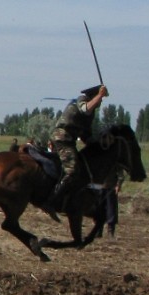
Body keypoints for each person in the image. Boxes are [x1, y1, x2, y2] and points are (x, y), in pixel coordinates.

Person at [43, 84, 108, 212]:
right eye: (100, 99)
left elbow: (86, 135)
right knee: (72, 169)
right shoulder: (81, 100)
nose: (100, 102)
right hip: (62, 138)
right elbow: (85, 109)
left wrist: (101, 145)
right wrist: (100, 95)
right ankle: (52, 200)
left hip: (70, 141)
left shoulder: (90, 114)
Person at [98, 169, 125, 238]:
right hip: (98, 186)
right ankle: (98, 231)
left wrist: (118, 184)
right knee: (98, 209)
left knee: (111, 209)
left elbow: (120, 172)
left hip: (111, 187)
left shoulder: (114, 159)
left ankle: (111, 231)